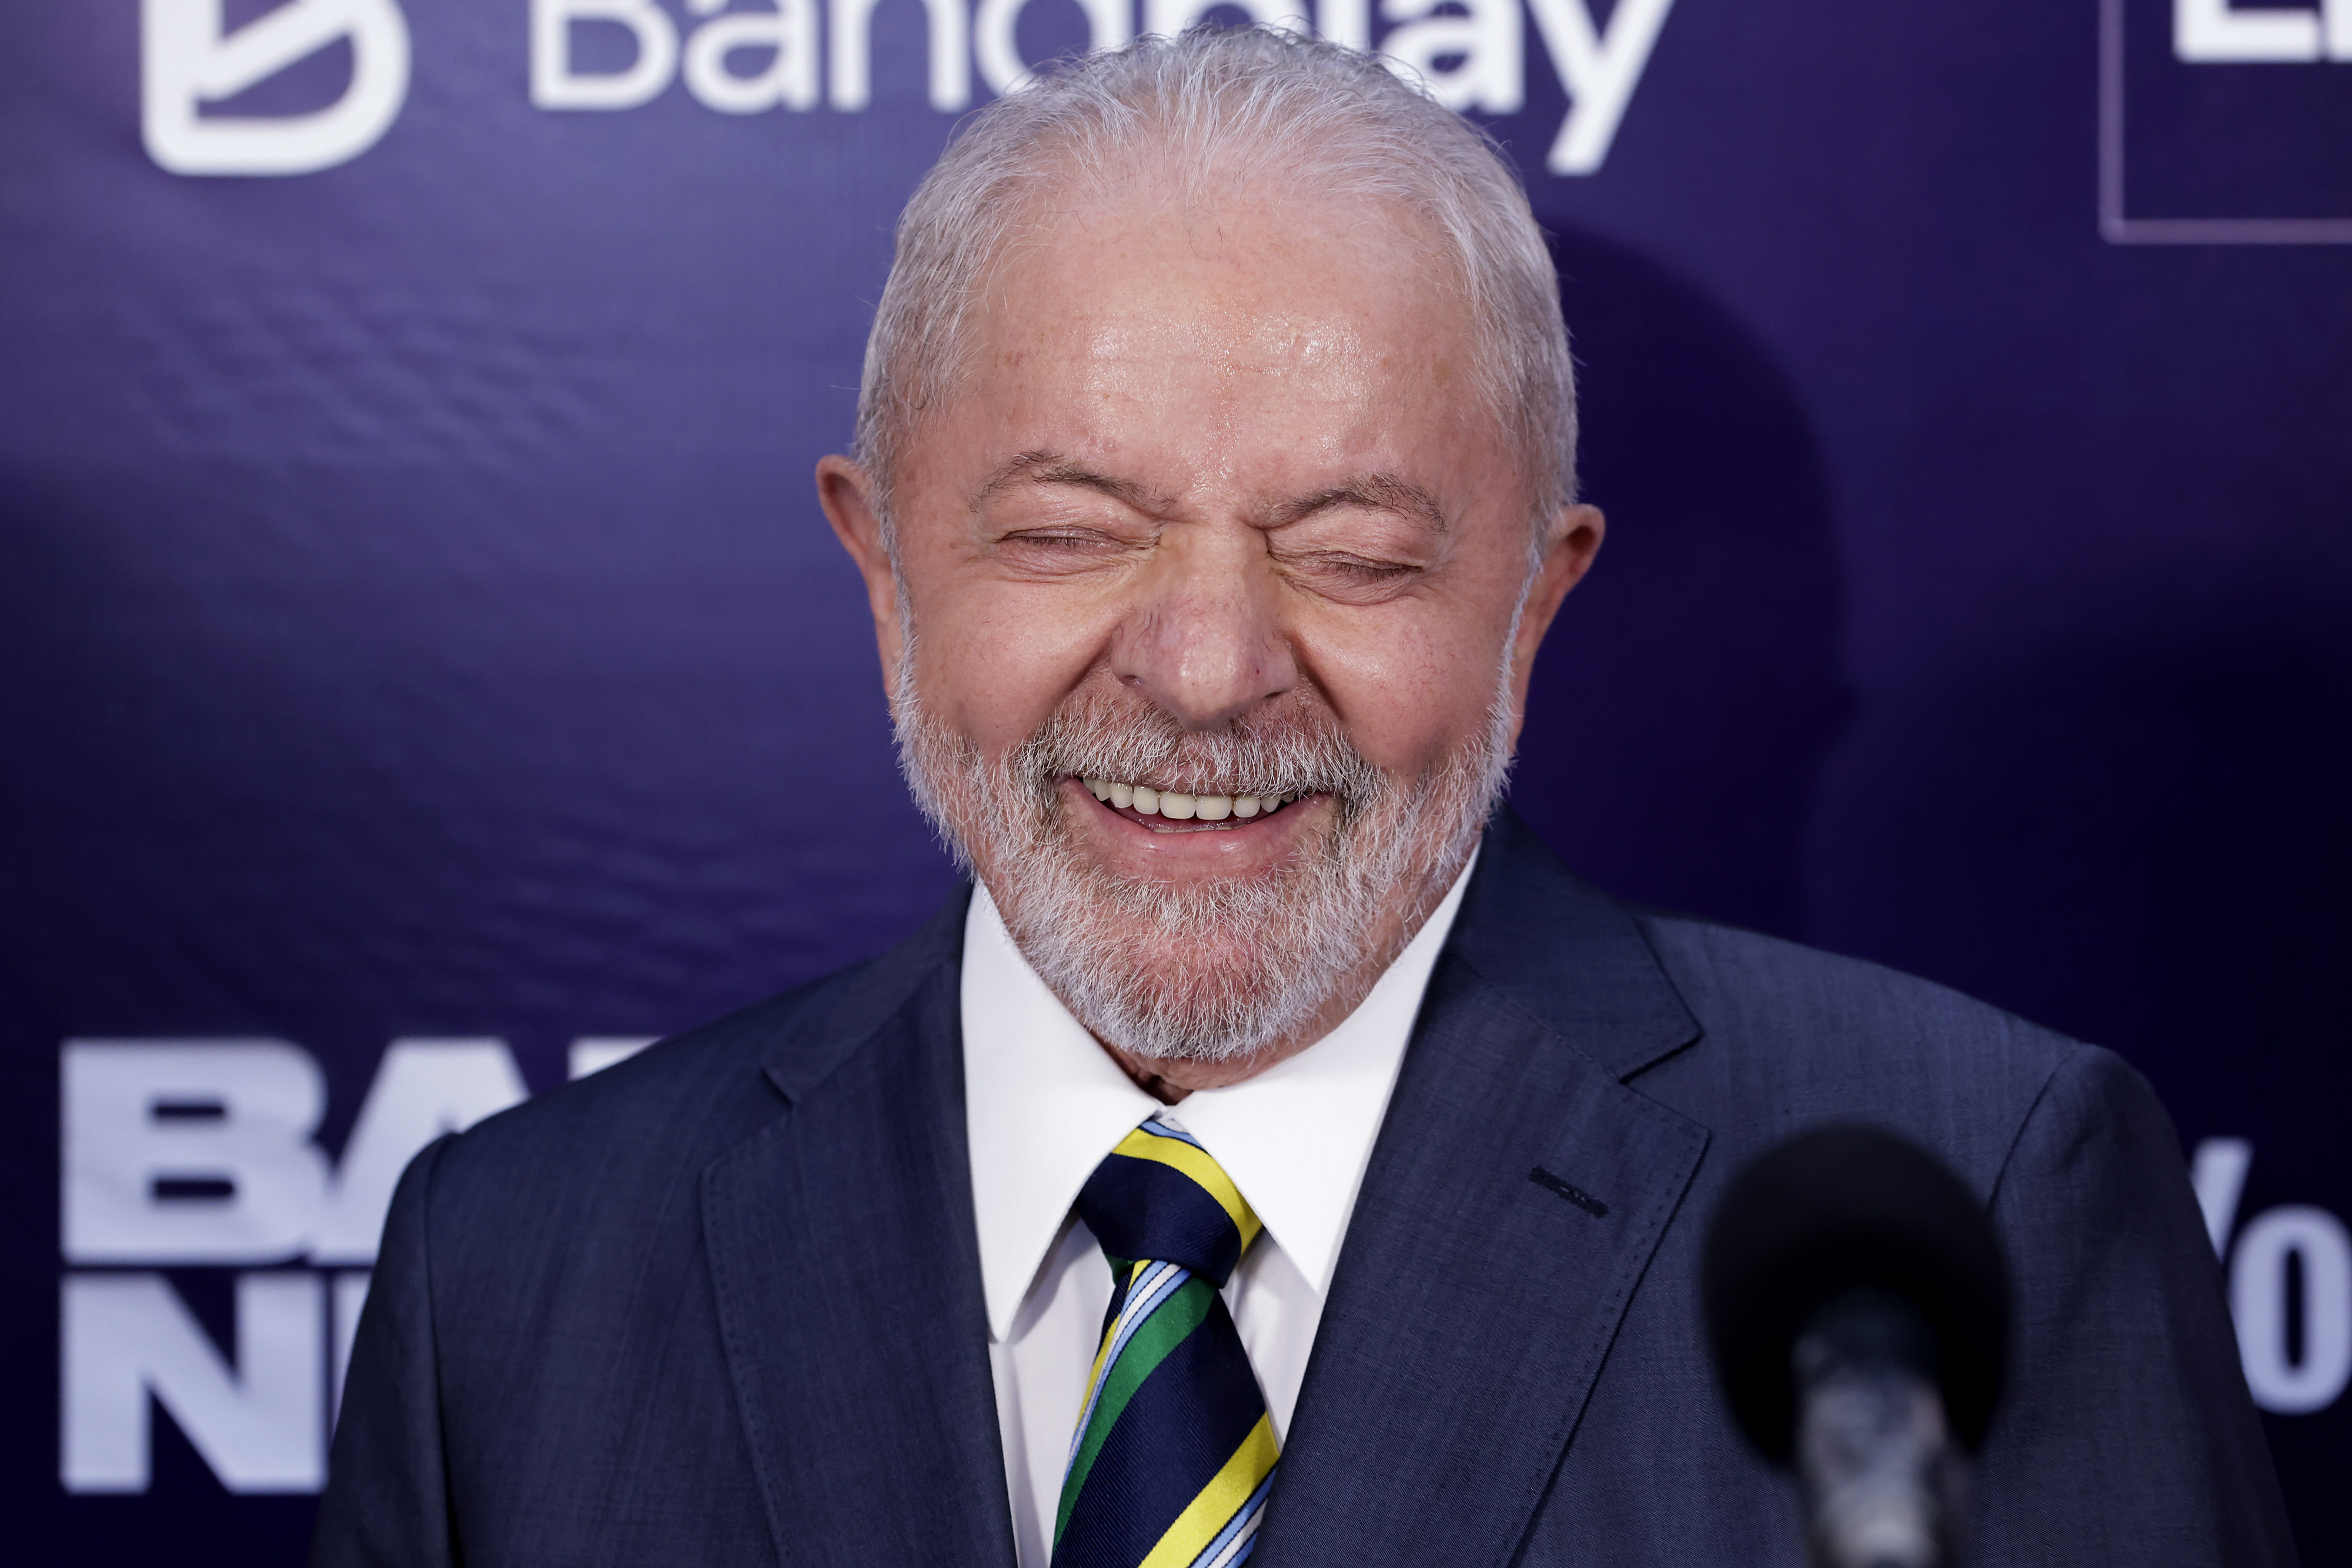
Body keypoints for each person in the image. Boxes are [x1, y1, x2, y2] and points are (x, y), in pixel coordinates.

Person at [312, 26, 2293, 1568]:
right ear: (885, 570)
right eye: (1071, 531)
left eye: (1352, 551)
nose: (1204, 666)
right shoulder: (520, 1278)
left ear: (1535, 602)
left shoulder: (1980, 1200)